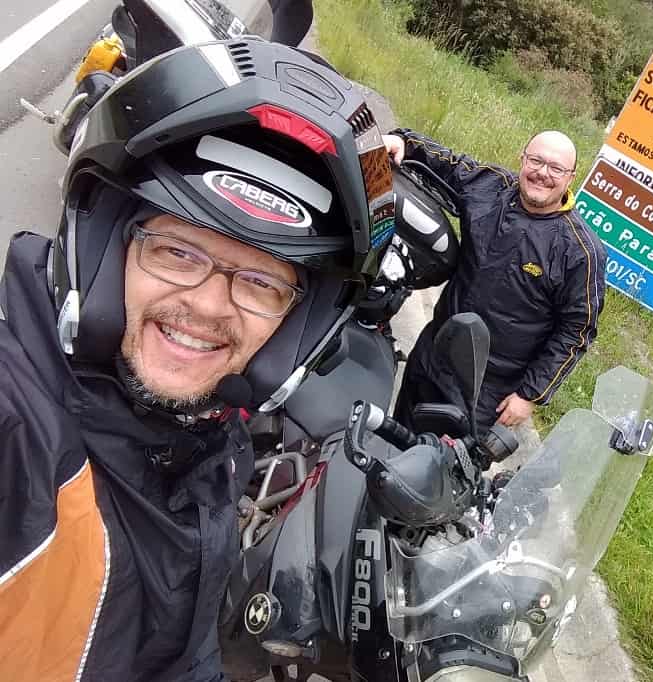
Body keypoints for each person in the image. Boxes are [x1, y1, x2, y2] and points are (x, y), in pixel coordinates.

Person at [0, 40, 393, 681]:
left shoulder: (213, 444)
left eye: (261, 283)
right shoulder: (18, 425)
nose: (209, 305)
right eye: (177, 252)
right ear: (103, 248)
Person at [385, 129, 606, 432]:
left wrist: (530, 395)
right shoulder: (490, 187)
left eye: (556, 168)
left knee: (439, 470)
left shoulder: (581, 252)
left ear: (570, 177)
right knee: (393, 439)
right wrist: (404, 143)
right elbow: (449, 164)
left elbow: (576, 331)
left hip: (486, 389)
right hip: (433, 352)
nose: (542, 173)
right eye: (536, 161)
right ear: (523, 159)